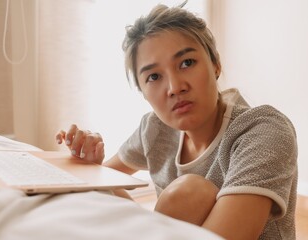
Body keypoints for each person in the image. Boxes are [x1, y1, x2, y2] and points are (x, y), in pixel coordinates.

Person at [56, 2, 298, 239]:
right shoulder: (155, 129)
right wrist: (92, 162)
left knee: (188, 192)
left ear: (216, 65)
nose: (174, 88)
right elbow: (98, 183)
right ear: (142, 92)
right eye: (153, 77)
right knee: (101, 191)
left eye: (187, 63)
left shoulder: (264, 129)